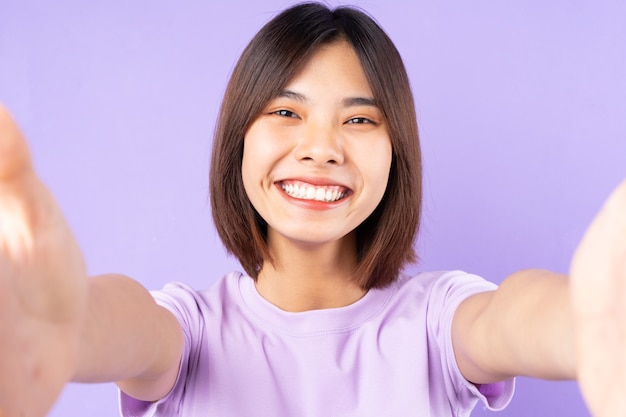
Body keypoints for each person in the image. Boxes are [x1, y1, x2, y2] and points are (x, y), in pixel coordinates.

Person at [0, 2, 624, 417]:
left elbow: (511, 319)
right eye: (286, 112)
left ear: (396, 152)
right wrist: (58, 325)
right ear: (238, 141)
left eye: (358, 119)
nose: (321, 148)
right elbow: (123, 326)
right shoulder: (189, 331)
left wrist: (583, 323)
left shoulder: (434, 322)